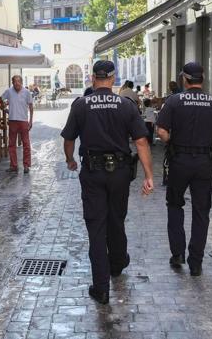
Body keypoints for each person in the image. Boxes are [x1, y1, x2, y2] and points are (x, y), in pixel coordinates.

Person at [61, 60, 154, 305]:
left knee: (96, 228)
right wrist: (149, 175)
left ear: (93, 78)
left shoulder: (81, 105)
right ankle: (116, 264)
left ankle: (101, 288)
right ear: (112, 79)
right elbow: (141, 142)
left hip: (92, 173)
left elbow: (69, 139)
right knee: (116, 219)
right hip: (120, 172)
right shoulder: (126, 105)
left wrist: (70, 159)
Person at [155, 62, 212, 276]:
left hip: (179, 160)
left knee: (175, 205)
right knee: (201, 211)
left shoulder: (174, 101)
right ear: (203, 79)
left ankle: (177, 253)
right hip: (204, 163)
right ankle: (196, 262)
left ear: (185, 79)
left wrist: (172, 141)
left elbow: (161, 132)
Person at [1, 75, 34, 174]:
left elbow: (31, 106)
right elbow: (0, 100)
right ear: (12, 83)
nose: (17, 83)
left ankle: (26, 165)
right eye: (15, 81)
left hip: (23, 120)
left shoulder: (27, 92)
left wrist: (31, 121)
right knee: (11, 144)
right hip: (12, 120)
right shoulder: (9, 91)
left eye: (18, 81)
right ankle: (14, 165)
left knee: (26, 144)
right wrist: (5, 108)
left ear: (22, 82)